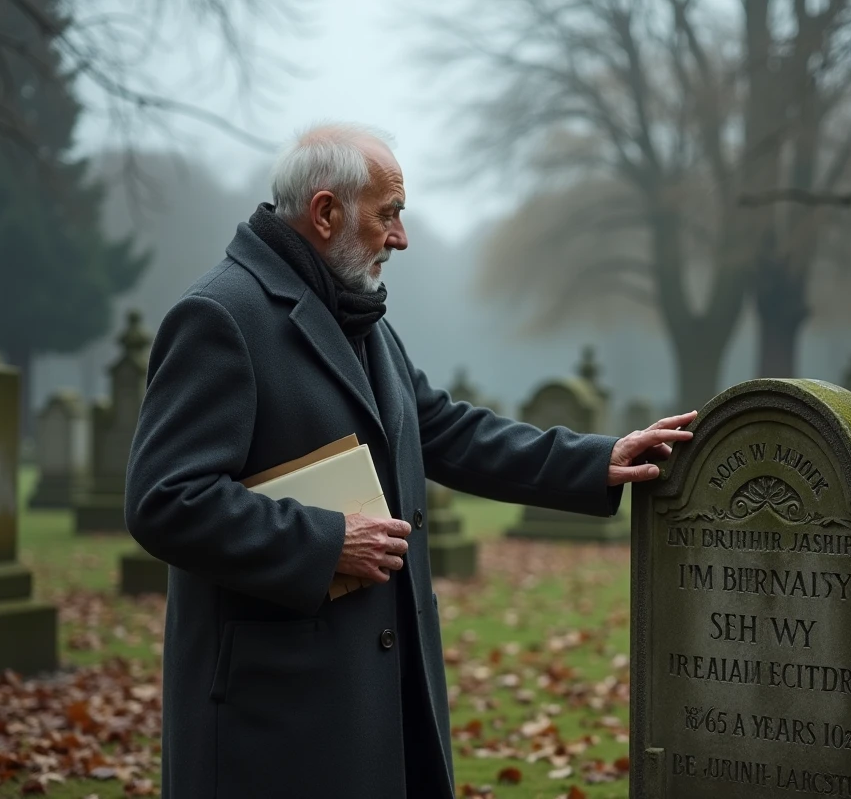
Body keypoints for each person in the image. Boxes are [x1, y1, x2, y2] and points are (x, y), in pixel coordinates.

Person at [124, 122, 696, 799]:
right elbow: (164, 500)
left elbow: (446, 431)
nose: (400, 238)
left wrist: (596, 460)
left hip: (374, 695)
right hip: (273, 714)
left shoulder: (357, 315)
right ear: (327, 212)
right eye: (388, 215)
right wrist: (327, 541)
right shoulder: (221, 316)